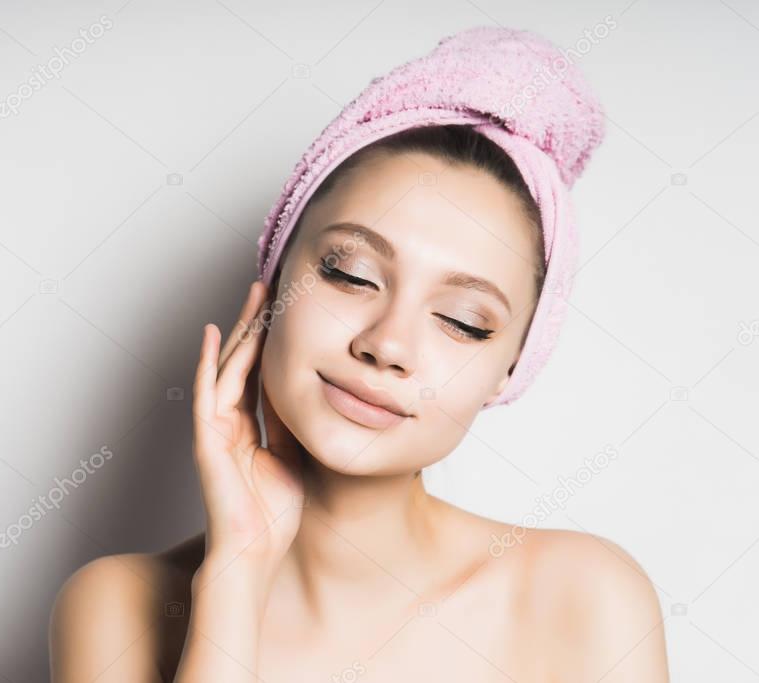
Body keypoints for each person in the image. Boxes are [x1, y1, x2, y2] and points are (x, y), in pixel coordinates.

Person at [49, 27, 669, 683]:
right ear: (274, 279)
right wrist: (237, 573)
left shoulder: (585, 597)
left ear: (509, 370)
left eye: (462, 321)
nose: (386, 344)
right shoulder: (116, 605)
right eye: (349, 275)